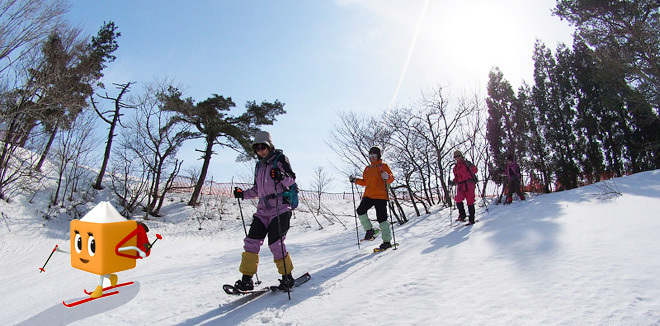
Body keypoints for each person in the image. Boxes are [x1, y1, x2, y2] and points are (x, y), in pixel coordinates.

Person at [232, 131, 297, 291]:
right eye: (257, 147)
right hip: (262, 210)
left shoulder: (280, 160)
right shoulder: (259, 166)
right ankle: (246, 280)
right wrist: (243, 194)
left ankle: (287, 277)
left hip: (280, 208)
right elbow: (257, 190)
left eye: (263, 147)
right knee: (251, 243)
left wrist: (281, 175)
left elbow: (291, 180)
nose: (260, 150)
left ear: (269, 146)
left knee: (275, 244)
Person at [349, 146, 395, 250]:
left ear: (378, 156)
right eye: (370, 155)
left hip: (380, 196)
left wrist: (387, 177)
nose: (372, 157)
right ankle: (370, 231)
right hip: (369, 195)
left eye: (374, 155)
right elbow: (365, 182)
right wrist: (355, 180)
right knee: (360, 211)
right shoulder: (367, 169)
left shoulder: (383, 166)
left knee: (382, 218)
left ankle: (387, 241)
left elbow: (391, 178)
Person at [450, 150, 478, 225]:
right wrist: (453, 182)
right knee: (458, 199)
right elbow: (456, 177)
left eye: (458, 156)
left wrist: (471, 168)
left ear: (461, 156)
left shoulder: (467, 164)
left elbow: (475, 169)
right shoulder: (455, 168)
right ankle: (462, 215)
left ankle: (471, 219)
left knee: (470, 201)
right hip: (460, 185)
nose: (457, 158)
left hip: (469, 184)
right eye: (455, 157)